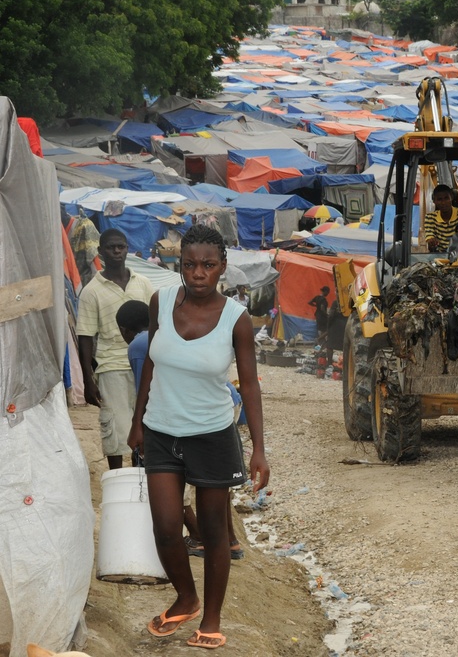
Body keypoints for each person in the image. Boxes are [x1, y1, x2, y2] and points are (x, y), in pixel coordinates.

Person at [128, 225, 268, 649]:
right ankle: (185, 598)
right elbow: (151, 364)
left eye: (208, 265)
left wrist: (259, 448)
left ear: (222, 267)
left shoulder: (236, 319)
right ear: (179, 265)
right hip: (160, 430)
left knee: (211, 532)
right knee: (167, 527)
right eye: (189, 264)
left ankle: (211, 617)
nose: (198, 273)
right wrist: (137, 422)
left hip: (211, 435)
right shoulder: (160, 301)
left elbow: (250, 385)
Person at [117, 299, 244, 562]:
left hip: (202, 413)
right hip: (225, 402)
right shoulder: (161, 333)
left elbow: (148, 386)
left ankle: (201, 537)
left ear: (124, 330)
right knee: (215, 483)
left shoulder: (138, 346)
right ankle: (229, 541)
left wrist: (139, 426)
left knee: (185, 482)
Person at [77, 229, 155, 470]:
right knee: (116, 428)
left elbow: (157, 324)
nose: (117, 251)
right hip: (111, 367)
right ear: (101, 252)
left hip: (144, 364)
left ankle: (142, 476)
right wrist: (88, 381)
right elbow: (86, 336)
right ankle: (117, 477)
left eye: (121, 246)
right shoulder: (91, 291)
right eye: (111, 247)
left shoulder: (143, 284)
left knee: (145, 422)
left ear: (127, 248)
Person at [424, 184, 458, 252]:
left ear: (451, 197)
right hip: (441, 257)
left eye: (446, 198)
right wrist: (432, 241)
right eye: (439, 199)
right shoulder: (430, 217)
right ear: (434, 201)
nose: (443, 202)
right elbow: (430, 237)